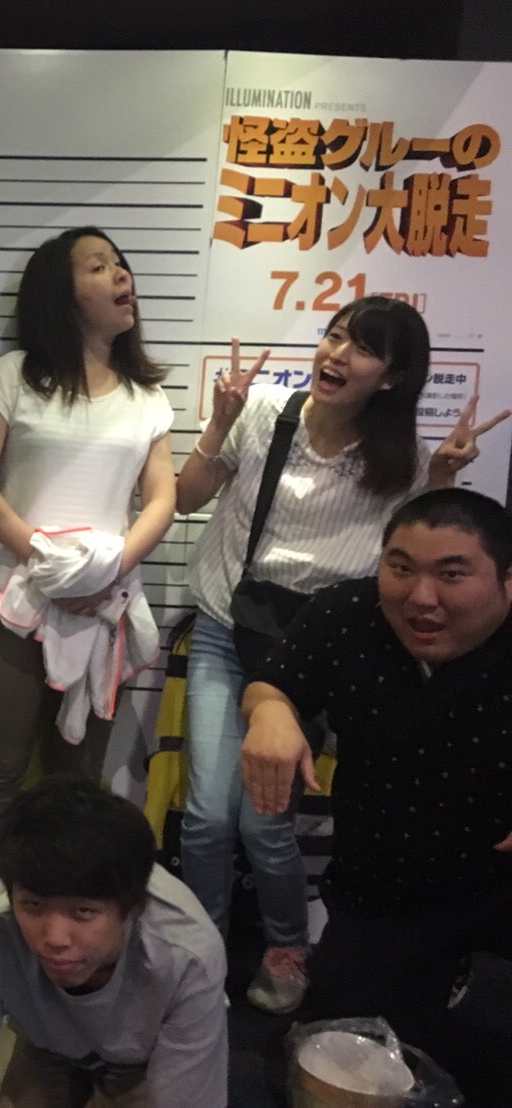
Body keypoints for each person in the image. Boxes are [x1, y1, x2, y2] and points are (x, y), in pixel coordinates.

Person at [175, 298, 507, 1014]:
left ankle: (287, 948)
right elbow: (182, 499)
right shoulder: (265, 416)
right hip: (228, 628)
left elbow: (421, 547)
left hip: (314, 652)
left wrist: (442, 477)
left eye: (361, 348)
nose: (336, 354)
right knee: (206, 816)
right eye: (333, 336)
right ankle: (196, 957)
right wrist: (221, 422)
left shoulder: (403, 459)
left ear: (391, 377)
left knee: (263, 820)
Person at [240, 488, 512, 1102]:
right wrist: (271, 712)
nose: (421, 597)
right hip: (379, 892)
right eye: (401, 568)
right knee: (333, 1069)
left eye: (452, 574)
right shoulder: (347, 614)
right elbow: (273, 683)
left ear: (507, 579)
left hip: (498, 899)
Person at [0, 226, 176, 839]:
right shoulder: (13, 375)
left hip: (103, 606)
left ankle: (67, 891)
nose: (121, 275)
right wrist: (47, 561)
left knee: (77, 778)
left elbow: (162, 499)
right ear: (60, 292)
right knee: (0, 772)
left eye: (120, 264)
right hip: (13, 596)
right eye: (99, 267)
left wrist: (105, 571)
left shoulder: (146, 396)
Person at [0, 776, 227, 1108]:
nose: (55, 939)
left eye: (83, 912)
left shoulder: (187, 952)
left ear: (133, 908)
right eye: (33, 906)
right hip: (41, 1045)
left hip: (147, 1063)